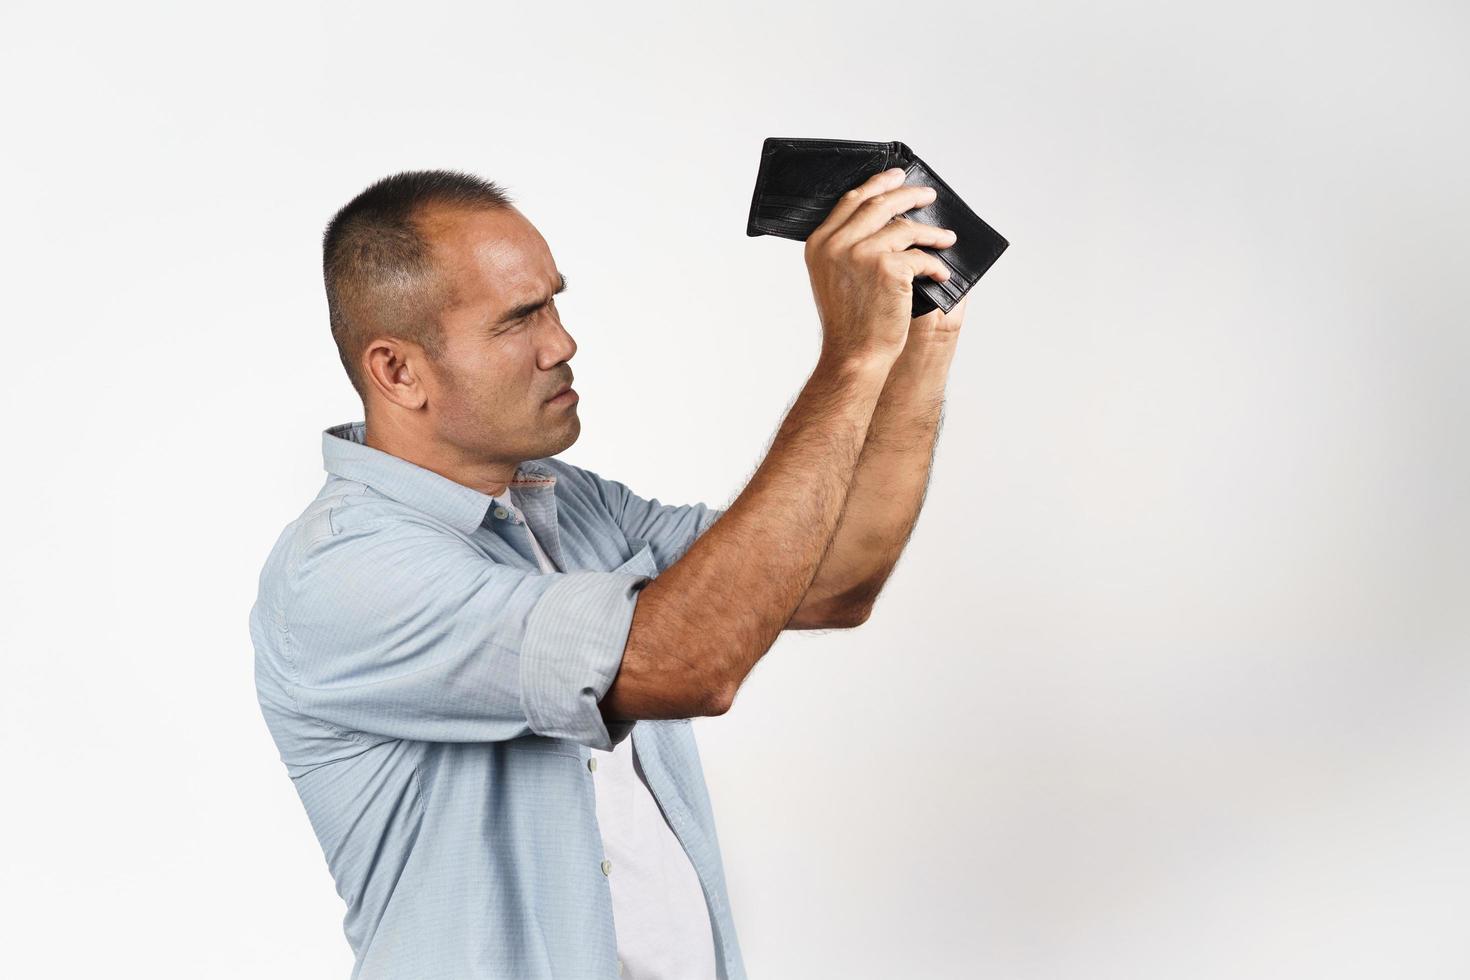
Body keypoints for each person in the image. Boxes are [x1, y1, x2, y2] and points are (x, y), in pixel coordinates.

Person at [249, 166, 968, 980]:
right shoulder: (344, 573)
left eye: (554, 302)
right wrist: (848, 359)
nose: (561, 342)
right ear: (398, 371)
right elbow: (688, 663)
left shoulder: (571, 503)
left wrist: (918, 340)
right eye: (519, 319)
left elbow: (832, 578)